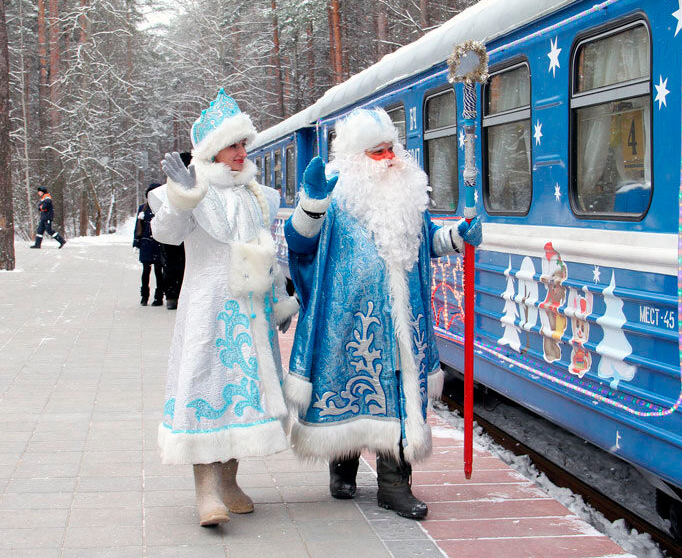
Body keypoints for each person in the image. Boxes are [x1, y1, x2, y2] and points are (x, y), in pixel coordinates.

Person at [282, 108, 483, 520]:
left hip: (402, 320)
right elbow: (300, 247)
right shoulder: (334, 196)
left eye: (391, 148)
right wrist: (310, 205)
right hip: (348, 321)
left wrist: (456, 237)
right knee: (350, 390)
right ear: (356, 157)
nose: (390, 157)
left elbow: (427, 240)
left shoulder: (406, 192)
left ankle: (394, 485)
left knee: (397, 391)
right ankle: (342, 464)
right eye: (378, 151)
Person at [148, 89, 298, 527]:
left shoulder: (260, 196)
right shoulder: (192, 191)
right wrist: (181, 195)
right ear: (213, 149)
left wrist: (278, 301)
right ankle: (206, 490)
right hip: (207, 310)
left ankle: (229, 481)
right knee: (206, 388)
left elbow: (264, 251)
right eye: (233, 145)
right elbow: (168, 235)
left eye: (243, 145)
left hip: (250, 314)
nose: (240, 153)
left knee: (244, 398)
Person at [160, 152, 191, 310]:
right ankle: (174, 295)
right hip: (182, 237)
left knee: (173, 266)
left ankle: (172, 295)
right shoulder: (192, 187)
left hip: (174, 239)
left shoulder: (168, 189)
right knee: (181, 266)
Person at [134, 183, 166, 306]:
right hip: (146, 244)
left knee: (159, 271)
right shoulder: (143, 208)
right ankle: (144, 296)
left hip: (159, 244)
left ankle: (159, 297)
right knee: (146, 270)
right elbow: (138, 226)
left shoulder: (162, 208)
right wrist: (136, 242)